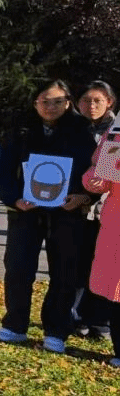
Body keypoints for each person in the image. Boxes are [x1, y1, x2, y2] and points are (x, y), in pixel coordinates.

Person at [0, 80, 97, 353]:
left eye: (57, 101)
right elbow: (2, 169)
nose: (51, 107)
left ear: (68, 103)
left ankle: (57, 331)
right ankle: (15, 325)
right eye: (45, 101)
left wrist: (84, 196)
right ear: (35, 103)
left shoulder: (83, 130)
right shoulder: (22, 128)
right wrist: (13, 198)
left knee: (64, 272)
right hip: (26, 211)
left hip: (67, 213)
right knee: (18, 268)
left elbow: (95, 174)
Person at [74, 81, 116, 338]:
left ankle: (101, 322)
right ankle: (79, 318)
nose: (91, 105)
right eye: (86, 100)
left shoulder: (116, 130)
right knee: (79, 265)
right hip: (78, 207)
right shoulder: (74, 128)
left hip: (107, 211)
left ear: (109, 102)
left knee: (105, 269)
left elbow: (108, 174)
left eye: (97, 100)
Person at [82, 134, 120, 367]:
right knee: (117, 293)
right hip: (117, 226)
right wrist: (94, 179)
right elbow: (99, 177)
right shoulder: (116, 136)